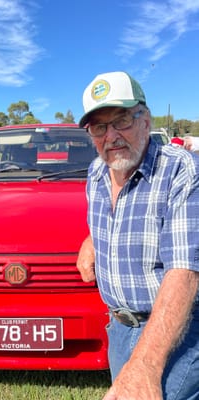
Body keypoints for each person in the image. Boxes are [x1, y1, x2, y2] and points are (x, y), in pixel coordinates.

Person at [76, 71, 199, 400]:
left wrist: (145, 365)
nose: (111, 135)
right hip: (119, 327)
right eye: (99, 127)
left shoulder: (180, 170)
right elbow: (116, 216)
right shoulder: (97, 171)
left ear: (146, 119)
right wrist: (92, 239)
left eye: (121, 121)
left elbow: (185, 271)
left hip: (177, 332)